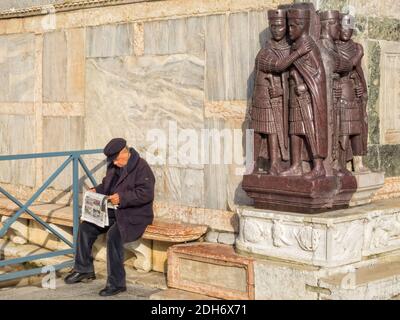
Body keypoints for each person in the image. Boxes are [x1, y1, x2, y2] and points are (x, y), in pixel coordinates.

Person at [64, 138, 155, 296]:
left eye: (116, 159)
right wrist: (95, 190)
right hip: (115, 210)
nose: (114, 162)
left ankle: (117, 283)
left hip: (135, 214)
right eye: (112, 160)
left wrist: (122, 198)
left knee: (114, 235)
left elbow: (146, 194)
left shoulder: (141, 167)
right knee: (86, 227)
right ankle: (84, 269)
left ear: (124, 153)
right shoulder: (114, 166)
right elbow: (107, 185)